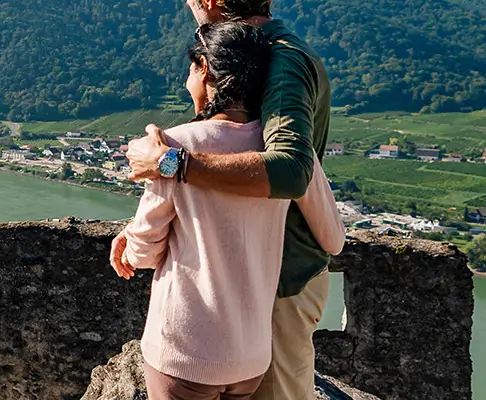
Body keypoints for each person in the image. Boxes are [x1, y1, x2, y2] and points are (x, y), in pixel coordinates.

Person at [108, 21, 345, 400]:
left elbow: (146, 254)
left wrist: (130, 240)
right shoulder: (283, 154)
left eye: (190, 70)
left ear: (204, 68)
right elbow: (334, 240)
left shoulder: (173, 147)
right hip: (250, 358)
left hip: (184, 352)